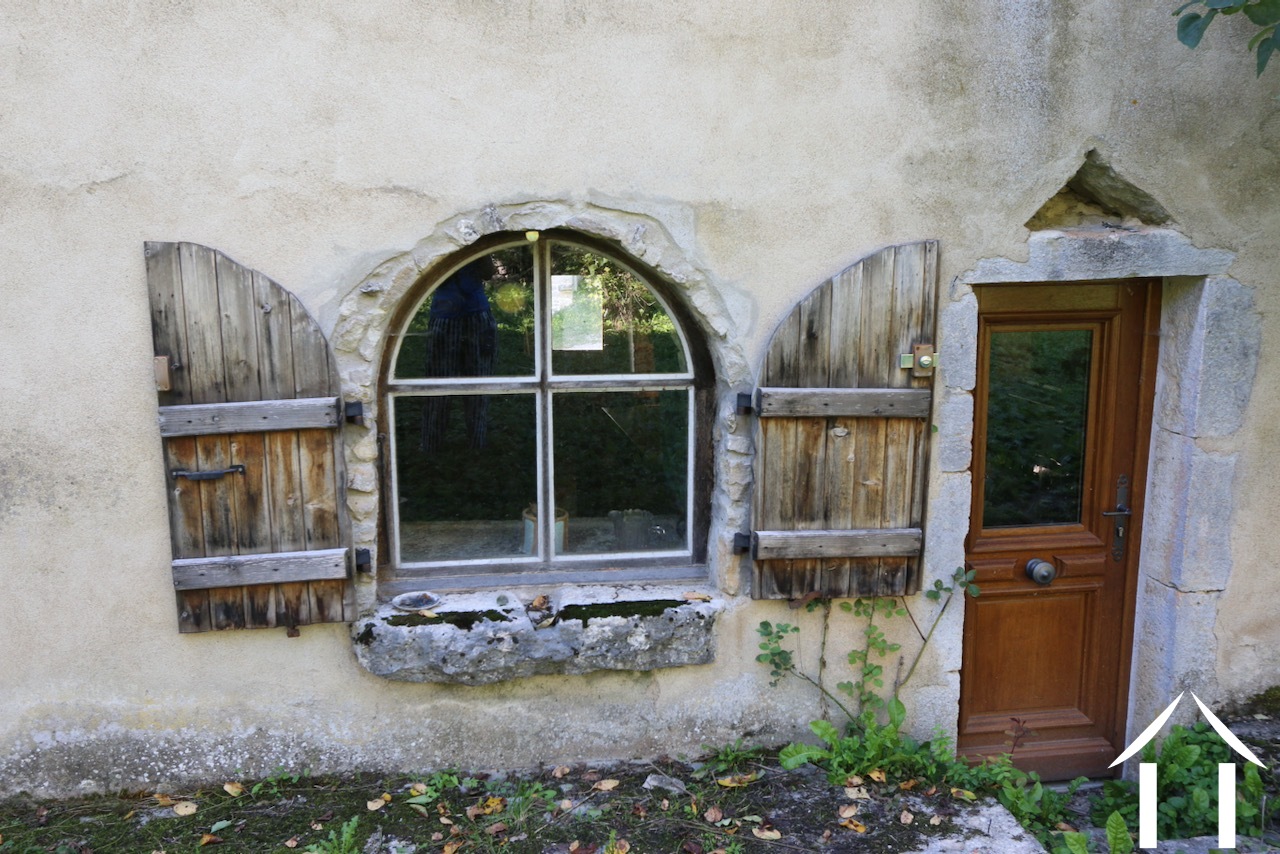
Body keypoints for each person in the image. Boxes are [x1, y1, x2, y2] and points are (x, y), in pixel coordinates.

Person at [420, 258, 498, 452]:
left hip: (469, 313)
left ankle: (472, 444)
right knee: (440, 382)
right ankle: (434, 445)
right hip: (451, 313)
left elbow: (488, 271)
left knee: (475, 380)